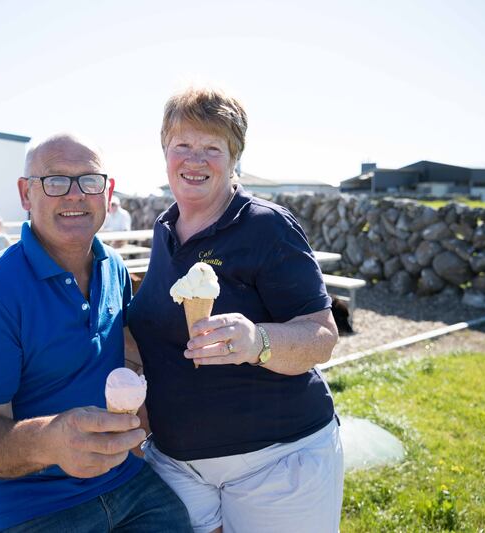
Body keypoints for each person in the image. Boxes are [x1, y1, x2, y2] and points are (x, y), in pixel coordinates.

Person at [127, 87, 343, 533]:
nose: (195, 160)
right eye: (182, 145)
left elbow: (322, 335)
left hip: (277, 464)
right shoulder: (164, 230)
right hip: (178, 466)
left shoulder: (266, 225)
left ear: (234, 157)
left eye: (212, 148)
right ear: (164, 150)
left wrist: (258, 341)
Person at [0, 133, 192, 532]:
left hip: (123, 479)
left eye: (89, 180)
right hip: (29, 504)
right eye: (56, 181)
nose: (75, 195)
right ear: (25, 194)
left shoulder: (112, 266)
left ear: (107, 190)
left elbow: (125, 341)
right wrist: (50, 440)